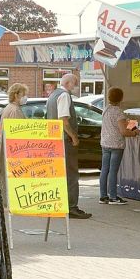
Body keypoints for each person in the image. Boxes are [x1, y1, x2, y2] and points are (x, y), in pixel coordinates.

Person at [45, 73, 91, 219]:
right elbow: (64, 120)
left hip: (54, 139)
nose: (76, 86)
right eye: (75, 83)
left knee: (59, 173)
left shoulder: (53, 95)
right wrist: (74, 137)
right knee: (71, 174)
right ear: (69, 83)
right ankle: (72, 207)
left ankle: (59, 204)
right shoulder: (64, 95)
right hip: (65, 140)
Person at [99, 87, 139, 205]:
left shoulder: (106, 110)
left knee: (104, 170)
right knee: (113, 171)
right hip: (116, 144)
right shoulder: (118, 112)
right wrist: (134, 132)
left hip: (105, 143)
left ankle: (103, 196)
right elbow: (123, 131)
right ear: (121, 98)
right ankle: (113, 197)